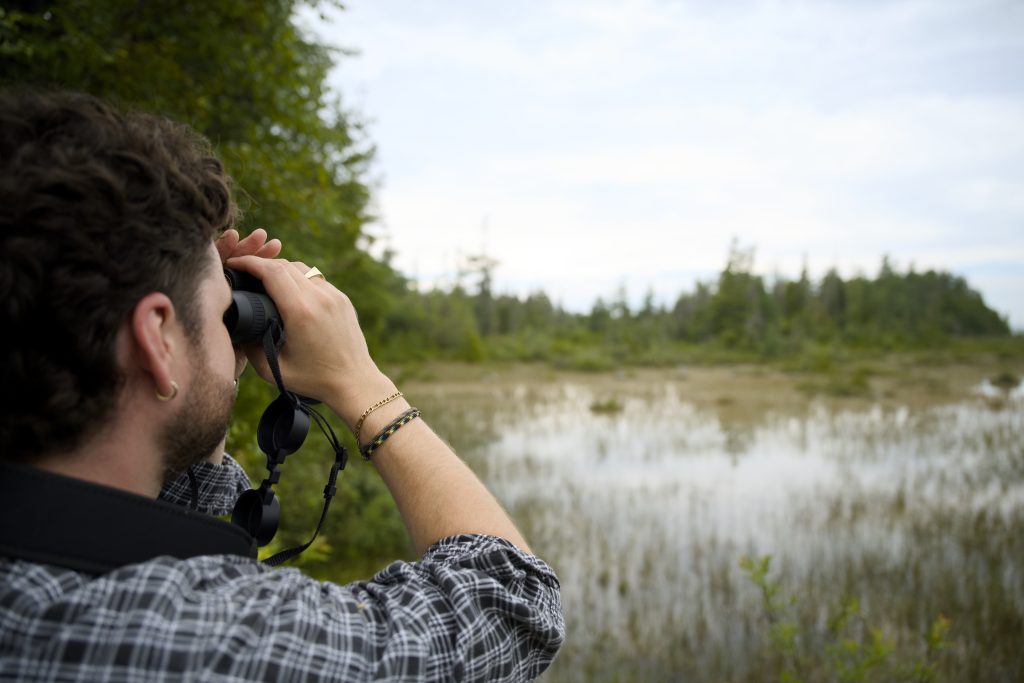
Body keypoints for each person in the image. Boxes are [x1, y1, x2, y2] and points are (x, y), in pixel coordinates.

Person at [0, 90, 564, 681]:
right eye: (222, 310)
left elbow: (137, 528)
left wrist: (200, 371)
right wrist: (358, 379)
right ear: (156, 338)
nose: (229, 326)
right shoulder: (205, 639)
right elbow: (510, 604)